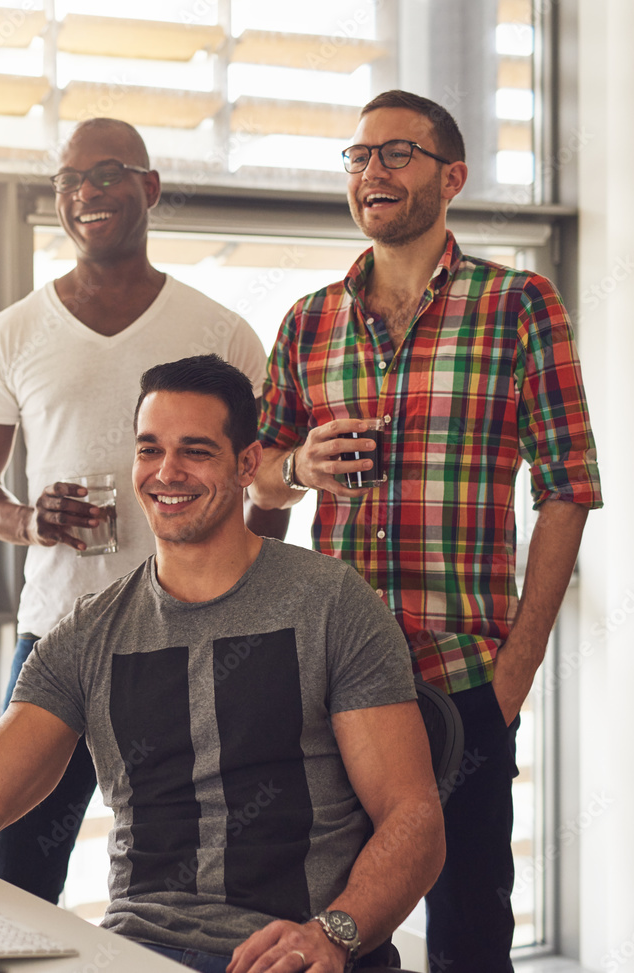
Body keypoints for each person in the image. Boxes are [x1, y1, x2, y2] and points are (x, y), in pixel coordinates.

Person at [0, 354, 444, 973]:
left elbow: (413, 817)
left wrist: (334, 934)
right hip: (136, 951)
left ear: (245, 465)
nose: (166, 472)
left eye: (196, 451)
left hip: (298, 951)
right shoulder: (88, 633)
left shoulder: (332, 602)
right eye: (149, 449)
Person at [248, 90, 603, 973]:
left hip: (461, 679)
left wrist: (512, 673)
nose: (372, 171)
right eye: (359, 156)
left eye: (397, 153)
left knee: (470, 932)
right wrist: (297, 469)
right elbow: (253, 469)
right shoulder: (308, 322)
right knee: (328, 922)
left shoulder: (519, 305)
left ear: (453, 177)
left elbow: (568, 489)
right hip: (329, 684)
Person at [0, 117, 286, 901]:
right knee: (16, 866)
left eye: (107, 173)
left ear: (150, 188)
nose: (86, 193)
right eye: (69, 181)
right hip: (59, 634)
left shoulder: (221, 332)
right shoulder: (12, 334)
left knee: (192, 872)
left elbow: (265, 481)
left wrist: (249, 593)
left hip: (194, 637)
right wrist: (29, 521)